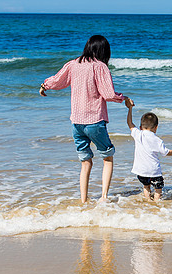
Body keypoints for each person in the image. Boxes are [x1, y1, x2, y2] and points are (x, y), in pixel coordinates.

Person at [40, 35, 133, 203]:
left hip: (76, 123)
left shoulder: (73, 64)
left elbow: (57, 81)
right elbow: (108, 94)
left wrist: (44, 86)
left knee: (85, 162)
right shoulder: (100, 67)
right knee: (108, 157)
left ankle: (83, 200)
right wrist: (124, 98)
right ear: (103, 51)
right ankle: (104, 197)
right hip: (95, 121)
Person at [126, 99, 172, 201]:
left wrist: (130, 108)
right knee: (158, 190)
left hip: (141, 171)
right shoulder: (157, 140)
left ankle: (148, 201)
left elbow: (130, 123)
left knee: (146, 187)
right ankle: (156, 204)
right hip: (154, 172)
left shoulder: (138, 134)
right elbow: (166, 153)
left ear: (140, 127)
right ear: (156, 127)